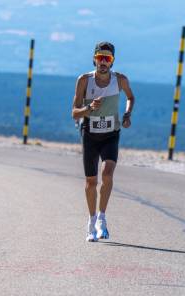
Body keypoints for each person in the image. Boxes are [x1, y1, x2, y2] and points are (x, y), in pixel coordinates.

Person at [71, 41, 135, 242]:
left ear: (112, 61)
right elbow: (74, 113)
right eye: (100, 58)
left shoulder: (120, 80)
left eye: (108, 59)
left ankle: (102, 218)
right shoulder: (84, 80)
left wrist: (127, 114)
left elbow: (131, 97)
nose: (103, 62)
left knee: (107, 174)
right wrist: (89, 109)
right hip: (90, 134)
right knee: (91, 182)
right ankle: (90, 223)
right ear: (94, 59)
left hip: (110, 134)